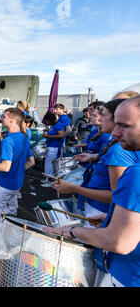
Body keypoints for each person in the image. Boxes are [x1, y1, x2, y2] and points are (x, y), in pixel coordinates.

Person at [45, 96, 140, 287]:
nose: (115, 132)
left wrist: (73, 230)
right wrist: (109, 220)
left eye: (125, 125)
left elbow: (118, 241)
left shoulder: (133, 171)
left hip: (126, 277)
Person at [54, 99, 140, 219]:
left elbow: (117, 196)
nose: (99, 119)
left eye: (103, 115)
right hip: (100, 208)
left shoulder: (118, 150)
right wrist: (93, 156)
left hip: (101, 209)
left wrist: (74, 188)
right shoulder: (116, 146)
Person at [0, 108, 35, 232]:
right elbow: (31, 162)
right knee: (10, 211)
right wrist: (17, 171)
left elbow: (5, 167)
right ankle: (5, 230)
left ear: (12, 120)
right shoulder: (24, 137)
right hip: (17, 184)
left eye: (4, 117)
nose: (1, 119)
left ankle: (1, 243)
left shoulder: (9, 140)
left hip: (5, 184)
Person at [41, 111, 66, 187]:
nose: (46, 122)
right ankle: (47, 179)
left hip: (55, 148)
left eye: (47, 121)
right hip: (51, 147)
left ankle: (50, 181)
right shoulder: (54, 126)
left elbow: (62, 135)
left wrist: (49, 136)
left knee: (51, 165)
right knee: (48, 164)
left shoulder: (59, 125)